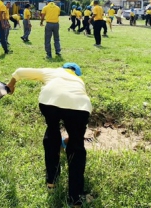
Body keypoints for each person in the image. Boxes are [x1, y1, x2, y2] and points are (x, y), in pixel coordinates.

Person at [6, 63, 92, 208]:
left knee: (52, 131)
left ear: (63, 68)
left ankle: (51, 181)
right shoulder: (78, 81)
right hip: (79, 106)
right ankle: (75, 197)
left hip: (49, 101)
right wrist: (73, 139)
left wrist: (11, 85)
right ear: (76, 73)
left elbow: (19, 71)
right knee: (77, 147)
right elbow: (72, 108)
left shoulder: (51, 72)